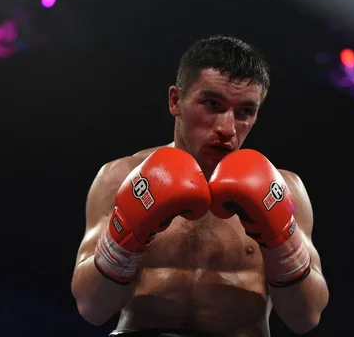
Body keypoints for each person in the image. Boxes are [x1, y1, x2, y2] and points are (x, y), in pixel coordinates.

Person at [71, 35, 329, 337]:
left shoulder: (284, 189)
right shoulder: (121, 177)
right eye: (212, 104)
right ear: (175, 101)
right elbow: (92, 307)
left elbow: (306, 317)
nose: (227, 128)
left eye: (245, 111)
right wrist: (125, 237)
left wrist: (281, 241)